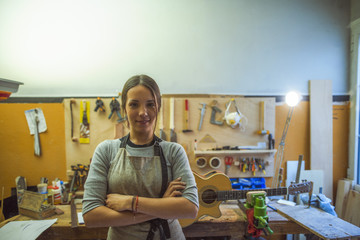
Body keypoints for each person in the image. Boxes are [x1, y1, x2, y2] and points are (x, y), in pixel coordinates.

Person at [82, 74, 199, 240]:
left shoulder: (174, 152)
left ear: (157, 108)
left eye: (150, 104)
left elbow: (190, 208)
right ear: (124, 108)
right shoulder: (106, 150)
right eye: (134, 104)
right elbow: (91, 215)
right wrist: (161, 206)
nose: (143, 112)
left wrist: (131, 202)